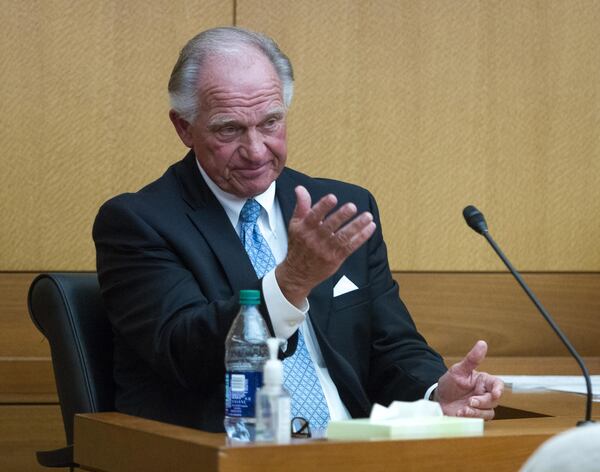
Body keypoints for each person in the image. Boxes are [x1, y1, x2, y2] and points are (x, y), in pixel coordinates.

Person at [93, 26, 503, 433]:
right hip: (229, 453)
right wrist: (290, 282)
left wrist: (435, 392)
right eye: (229, 129)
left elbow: (390, 345)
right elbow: (184, 353)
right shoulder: (139, 223)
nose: (256, 150)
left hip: (353, 449)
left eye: (270, 122)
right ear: (184, 128)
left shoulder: (343, 209)